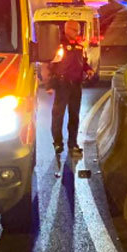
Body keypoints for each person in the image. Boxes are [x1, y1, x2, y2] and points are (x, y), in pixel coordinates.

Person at [47, 19, 95, 155]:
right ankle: (57, 143)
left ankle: (72, 144)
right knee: (58, 115)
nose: (77, 33)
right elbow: (52, 65)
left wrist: (88, 69)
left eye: (78, 30)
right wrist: (49, 85)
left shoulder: (79, 46)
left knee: (74, 115)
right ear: (67, 29)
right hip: (62, 84)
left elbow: (83, 62)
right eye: (75, 30)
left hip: (76, 85)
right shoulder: (59, 46)